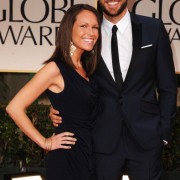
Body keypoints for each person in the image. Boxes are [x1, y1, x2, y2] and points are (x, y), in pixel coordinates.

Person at [49, 0, 177, 180]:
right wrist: (59, 105)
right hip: (101, 136)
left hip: (147, 138)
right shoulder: (88, 32)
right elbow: (73, 79)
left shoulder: (153, 28)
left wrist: (163, 132)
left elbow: (168, 86)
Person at [6, 4, 101, 180]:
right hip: (68, 157)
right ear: (69, 29)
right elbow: (14, 107)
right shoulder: (55, 68)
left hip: (89, 154)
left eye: (95, 27)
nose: (91, 32)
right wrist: (45, 142)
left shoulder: (87, 68)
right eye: (83, 26)